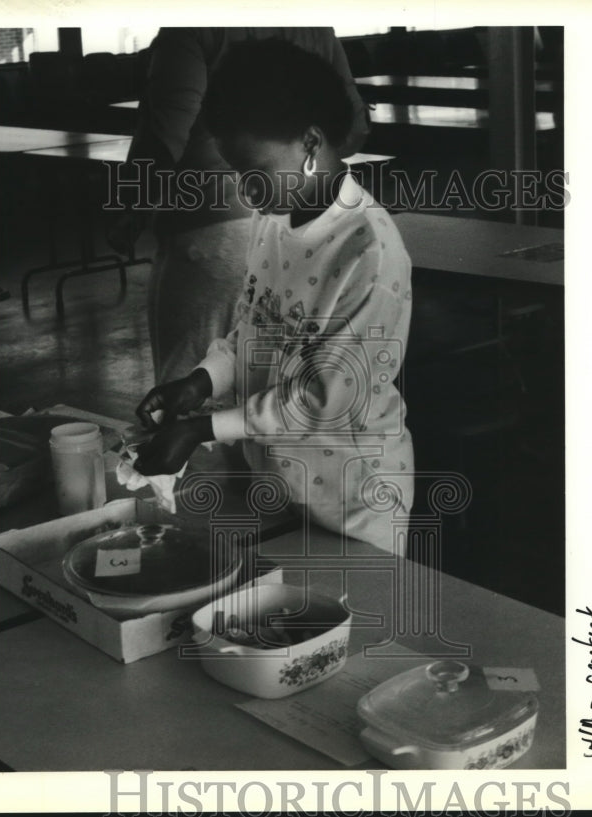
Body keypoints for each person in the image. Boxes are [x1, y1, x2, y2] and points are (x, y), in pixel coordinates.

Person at [131, 38, 414, 553]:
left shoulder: (365, 252)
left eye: (255, 173)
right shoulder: (274, 218)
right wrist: (200, 380)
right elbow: (254, 327)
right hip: (278, 491)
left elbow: (326, 401)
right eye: (239, 174)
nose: (246, 193)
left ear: (310, 142)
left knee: (345, 627)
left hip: (354, 505)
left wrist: (204, 428)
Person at [108, 28, 369, 387]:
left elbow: (167, 129)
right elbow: (354, 131)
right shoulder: (314, 22)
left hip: (213, 236)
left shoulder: (191, 26)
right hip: (301, 230)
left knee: (188, 391)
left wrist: (130, 206)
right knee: (269, 387)